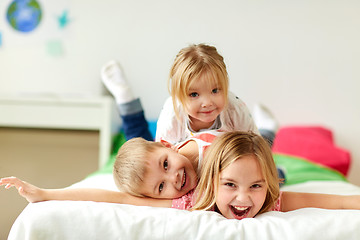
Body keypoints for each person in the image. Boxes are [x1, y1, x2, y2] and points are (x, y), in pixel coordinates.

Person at [2, 131, 360, 220]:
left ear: (167, 145)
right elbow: (112, 197)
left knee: (269, 163)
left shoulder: (264, 190)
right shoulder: (186, 200)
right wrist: (46, 193)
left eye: (166, 165)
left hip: (240, 147)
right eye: (160, 186)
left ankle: (267, 135)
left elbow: (324, 200)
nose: (173, 179)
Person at [192, 131, 360, 219]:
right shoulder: (195, 199)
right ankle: (267, 130)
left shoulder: (270, 200)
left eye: (256, 185)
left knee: (277, 172)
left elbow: (341, 202)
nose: (243, 198)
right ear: (212, 182)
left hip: (275, 172)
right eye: (230, 184)